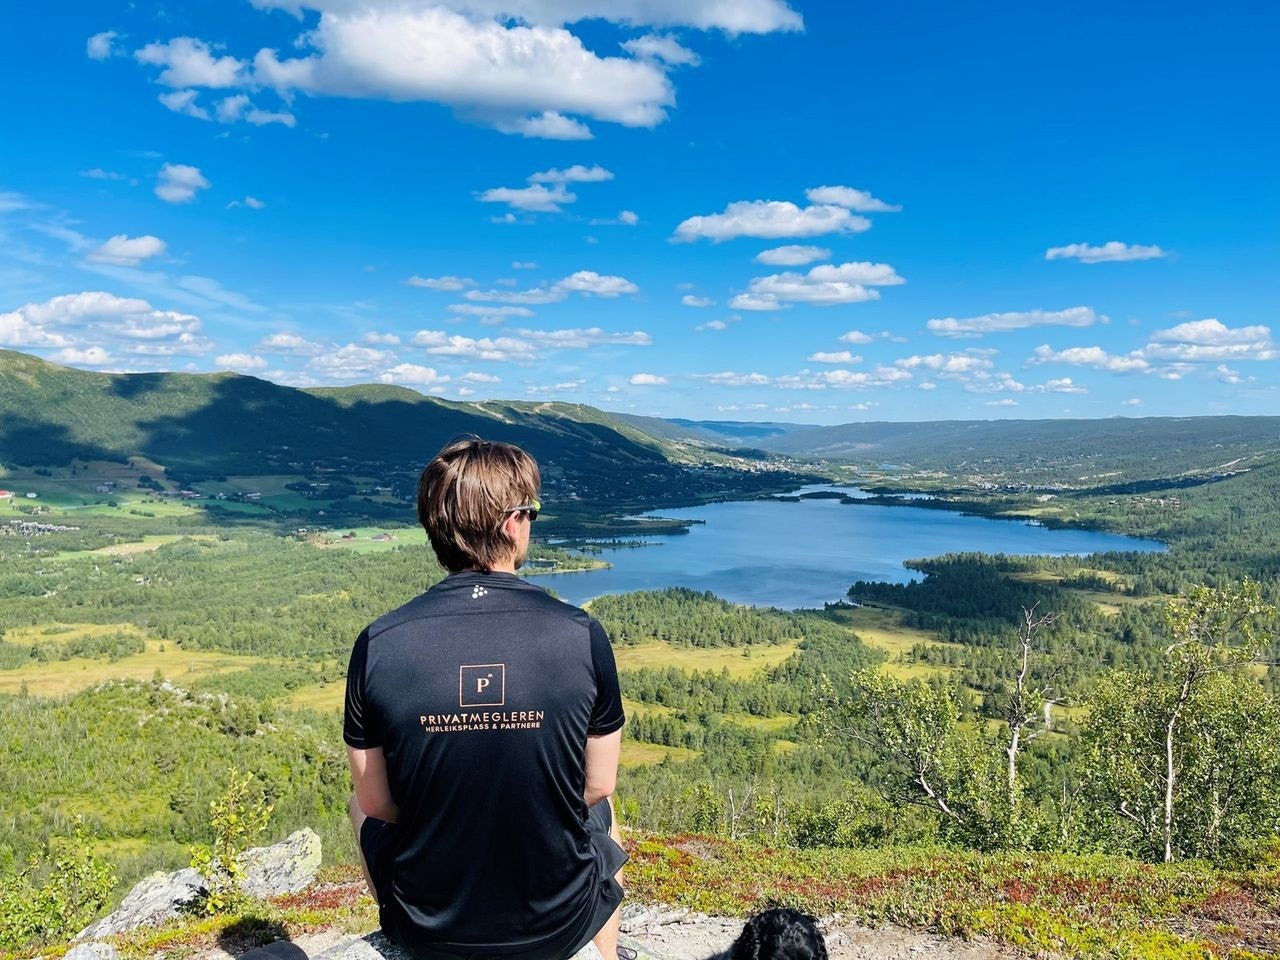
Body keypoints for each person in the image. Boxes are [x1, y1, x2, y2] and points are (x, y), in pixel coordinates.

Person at [344, 437, 628, 960]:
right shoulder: (580, 634)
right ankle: (602, 955)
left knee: (357, 806)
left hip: (429, 934)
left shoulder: (379, 643)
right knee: (602, 808)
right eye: (532, 512)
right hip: (556, 929)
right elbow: (597, 783)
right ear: (510, 523)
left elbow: (377, 803)